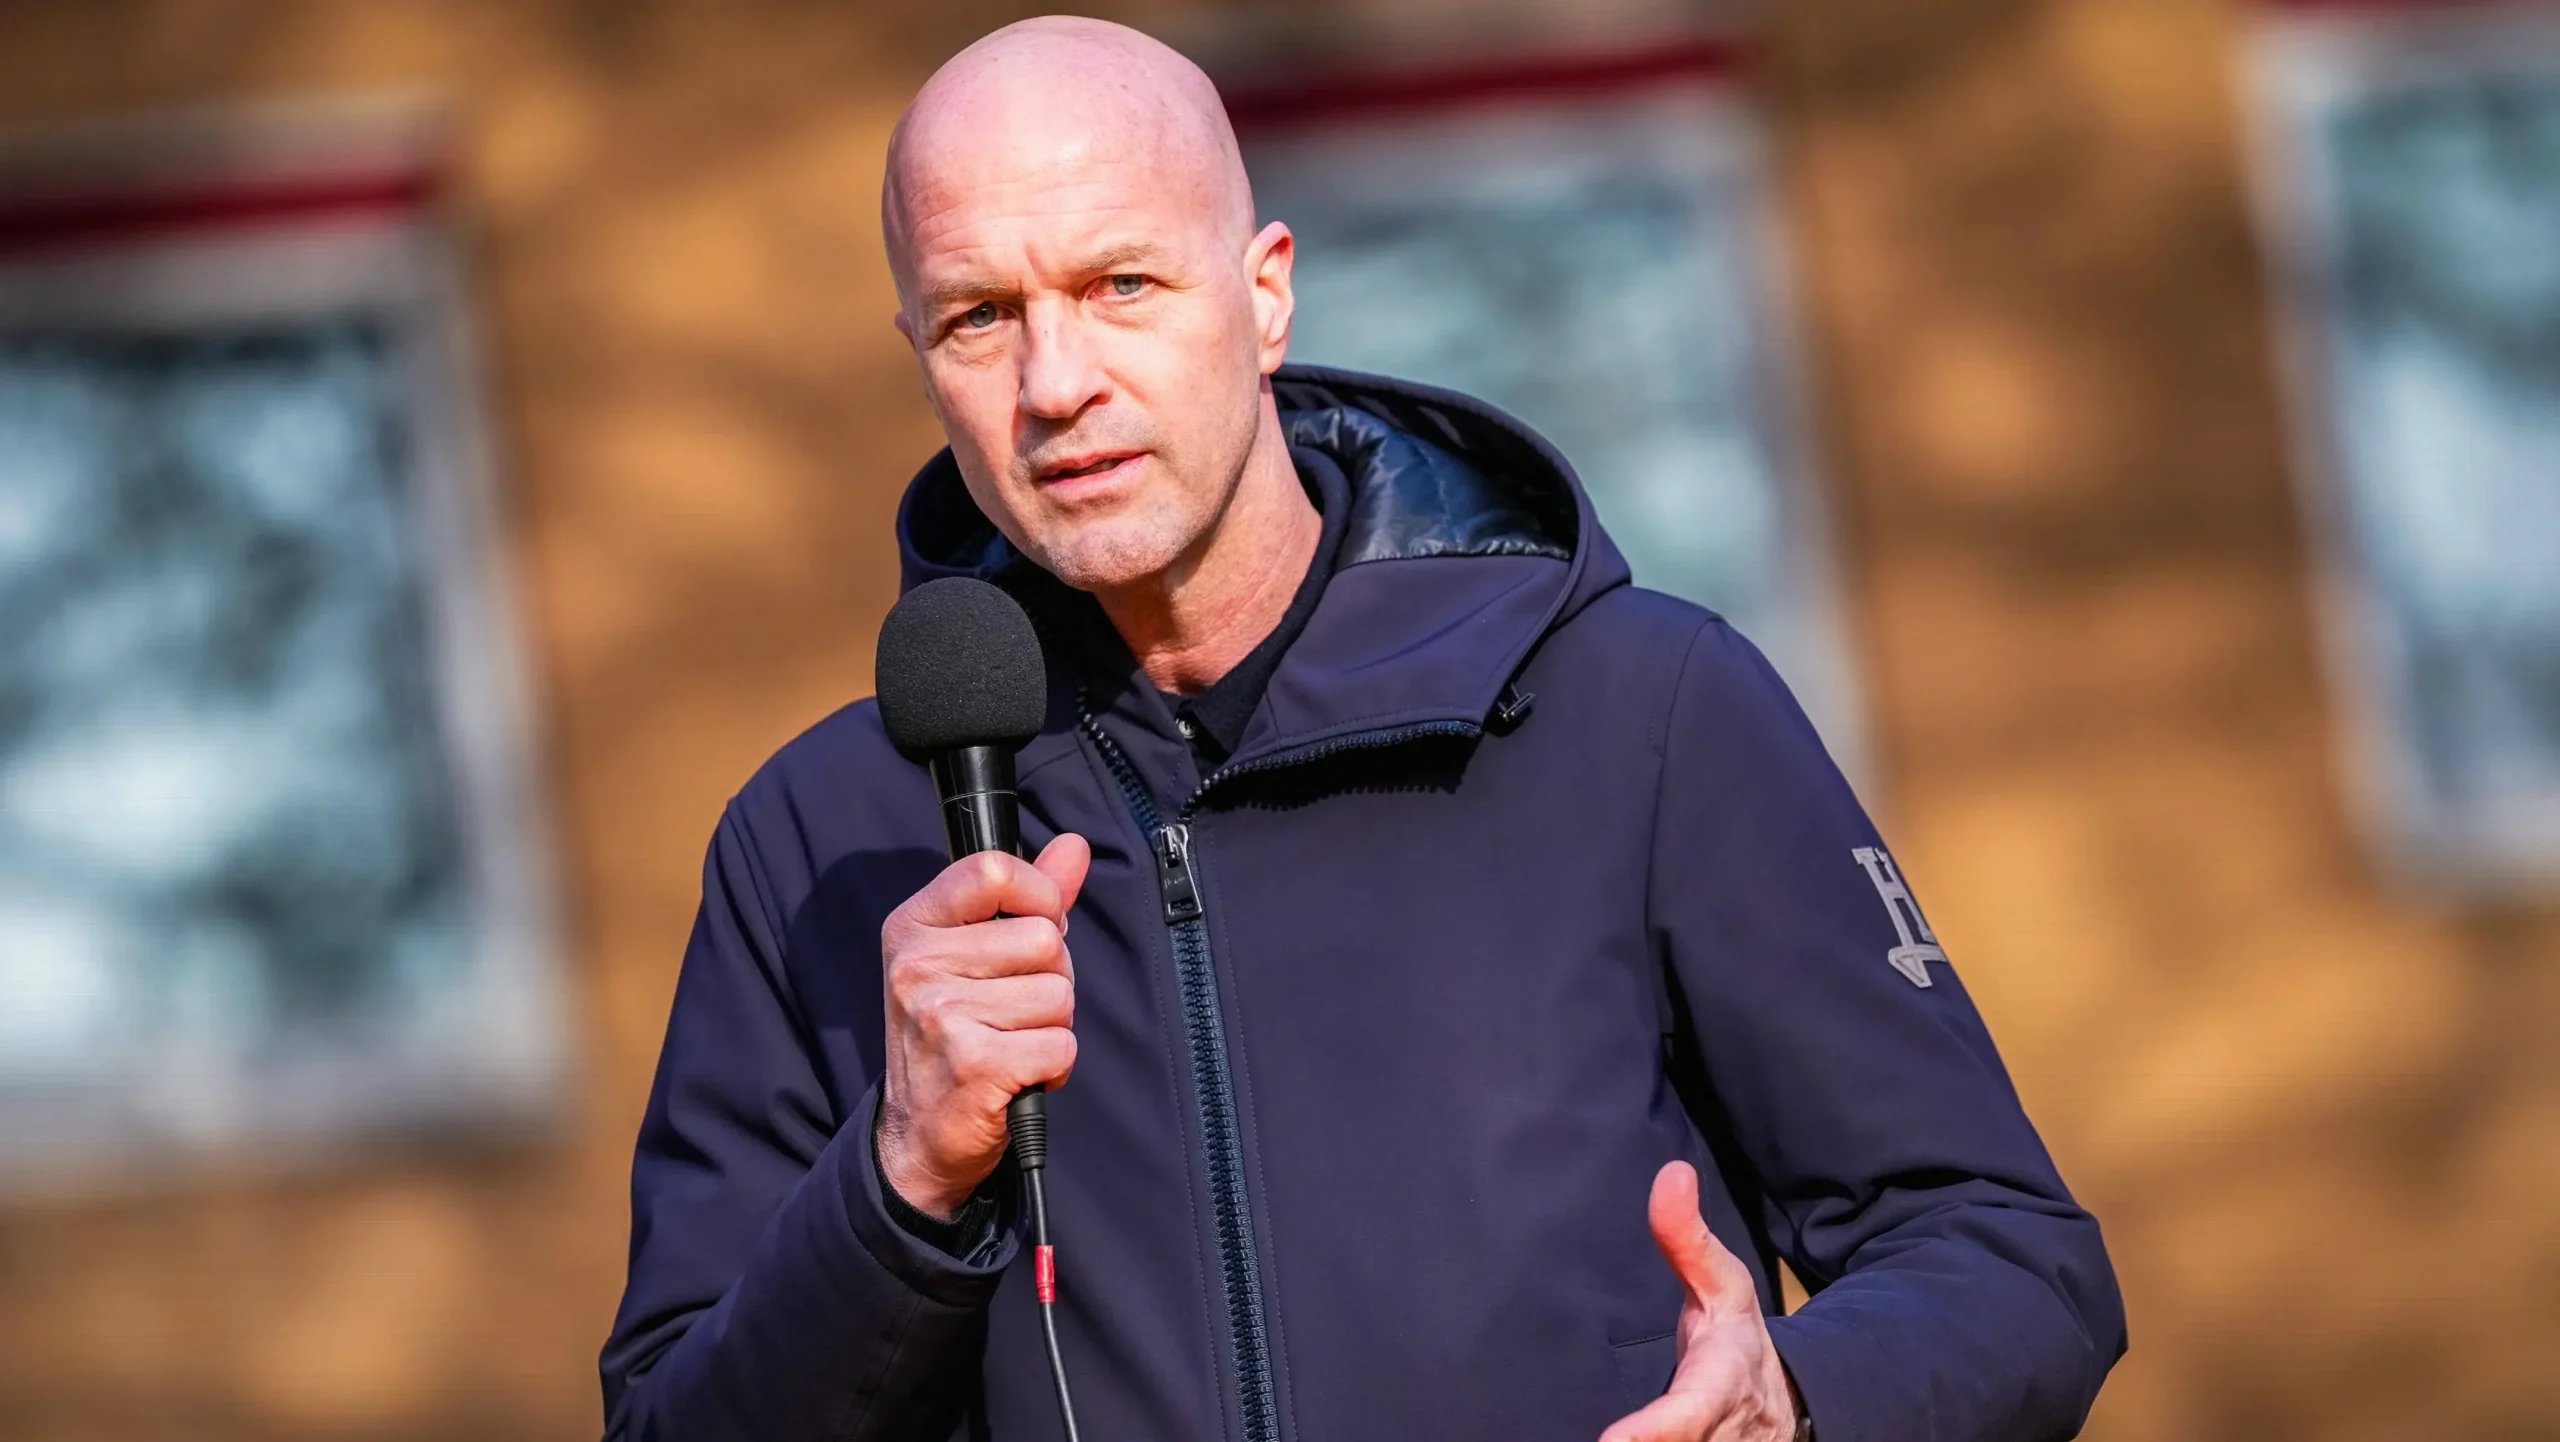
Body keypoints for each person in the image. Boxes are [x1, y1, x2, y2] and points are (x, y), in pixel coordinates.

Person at [598, 16, 2125, 1442]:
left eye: (1120, 285)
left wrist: (1797, 1394)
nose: (1055, 384)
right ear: (918, 356)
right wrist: (898, 1184)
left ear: (1264, 293)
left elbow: (2012, 1261)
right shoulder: (824, 843)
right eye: (980, 317)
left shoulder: (1641, 710)